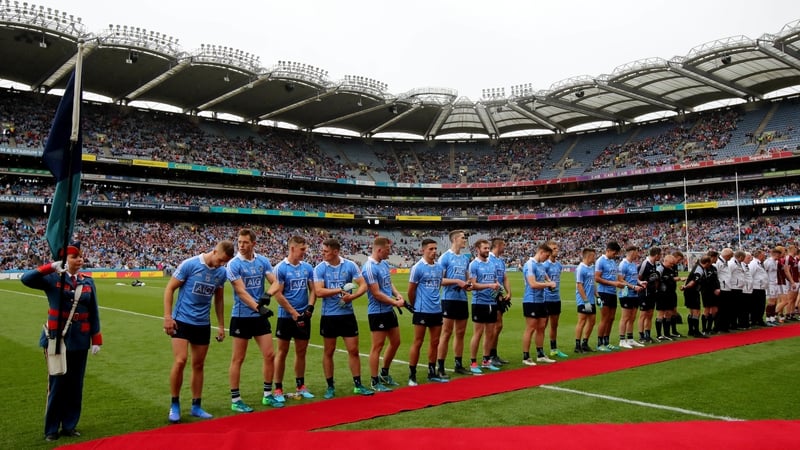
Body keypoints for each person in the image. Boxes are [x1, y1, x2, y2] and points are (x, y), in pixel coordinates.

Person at [21, 242, 103, 442]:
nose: (80, 260)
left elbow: (93, 312)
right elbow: (26, 279)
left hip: (81, 340)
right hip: (57, 339)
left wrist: (96, 339)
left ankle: (69, 425)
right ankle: (51, 428)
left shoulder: (88, 282)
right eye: (75, 257)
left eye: (81, 257)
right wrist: (50, 266)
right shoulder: (52, 279)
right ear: (65, 260)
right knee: (57, 384)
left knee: (75, 386)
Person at [163, 240, 234, 423]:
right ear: (214, 251)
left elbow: (218, 300)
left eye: (224, 262)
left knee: (199, 365)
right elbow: (170, 288)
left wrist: (220, 325)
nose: (221, 265)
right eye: (220, 260)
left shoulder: (221, 273)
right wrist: (168, 317)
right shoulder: (190, 264)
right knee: (180, 361)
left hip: (202, 323)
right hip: (182, 320)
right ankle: (175, 404)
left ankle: (196, 405)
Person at [226, 229, 283, 412]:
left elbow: (275, 282)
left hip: (259, 316)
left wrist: (268, 294)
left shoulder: (263, 261)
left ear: (253, 244)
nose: (241, 246)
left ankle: (267, 395)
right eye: (239, 242)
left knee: (269, 355)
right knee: (238, 358)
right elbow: (241, 292)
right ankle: (236, 399)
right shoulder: (233, 264)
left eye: (245, 242)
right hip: (242, 316)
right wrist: (259, 307)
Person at [313, 238, 374, 398]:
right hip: (329, 316)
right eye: (323, 250)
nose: (323, 253)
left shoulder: (350, 265)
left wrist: (351, 298)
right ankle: (330, 386)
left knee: (353, 350)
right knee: (329, 351)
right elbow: (318, 292)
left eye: (326, 251)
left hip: (347, 315)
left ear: (335, 251)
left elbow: (363, 285)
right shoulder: (319, 268)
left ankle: (358, 385)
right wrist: (339, 290)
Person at [271, 235, 316, 401]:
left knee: (301, 352)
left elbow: (313, 290)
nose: (305, 252)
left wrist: (310, 307)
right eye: (302, 249)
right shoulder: (281, 268)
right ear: (292, 248)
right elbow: (278, 294)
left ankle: (300, 385)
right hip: (286, 317)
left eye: (305, 249)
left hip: (304, 316)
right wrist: (293, 313)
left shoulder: (307, 268)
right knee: (282, 352)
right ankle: (278, 388)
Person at [363, 236, 406, 392]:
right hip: (378, 312)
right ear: (379, 250)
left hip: (388, 310)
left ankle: (384, 373)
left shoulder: (384, 263)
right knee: (377, 346)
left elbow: (389, 283)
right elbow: (376, 293)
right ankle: (374, 381)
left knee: (396, 342)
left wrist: (397, 294)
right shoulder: (369, 267)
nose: (390, 252)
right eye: (388, 250)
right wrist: (395, 302)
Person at [407, 238, 448, 385]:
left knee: (435, 342)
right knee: (418, 342)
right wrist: (415, 306)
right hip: (422, 310)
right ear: (423, 250)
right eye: (430, 249)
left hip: (436, 310)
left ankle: (432, 372)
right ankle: (412, 375)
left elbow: (437, 287)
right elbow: (410, 291)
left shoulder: (439, 268)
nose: (434, 252)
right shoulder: (417, 267)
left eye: (435, 249)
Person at [437, 230, 473, 377]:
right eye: (463, 238)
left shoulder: (465, 258)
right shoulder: (445, 257)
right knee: (446, 333)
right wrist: (457, 282)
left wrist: (468, 284)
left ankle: (458, 364)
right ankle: (440, 366)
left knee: (460, 333)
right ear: (455, 239)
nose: (465, 240)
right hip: (449, 299)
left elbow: (467, 278)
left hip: (462, 299)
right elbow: (439, 280)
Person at [467, 239, 502, 373]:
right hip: (479, 303)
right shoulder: (474, 265)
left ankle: (486, 360)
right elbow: (473, 285)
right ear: (478, 249)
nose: (487, 250)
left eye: (488, 248)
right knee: (478, 333)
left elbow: (495, 281)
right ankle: (473, 362)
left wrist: (498, 289)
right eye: (485, 248)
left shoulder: (492, 264)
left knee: (490, 333)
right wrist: (489, 285)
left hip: (491, 303)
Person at [521, 243, 557, 365]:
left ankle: (540, 353)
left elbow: (546, 279)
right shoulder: (529, 264)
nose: (547, 259)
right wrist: (548, 284)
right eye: (546, 256)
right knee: (531, 328)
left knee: (542, 326)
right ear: (541, 252)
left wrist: (549, 282)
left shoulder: (541, 265)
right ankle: (526, 356)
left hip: (541, 300)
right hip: (531, 300)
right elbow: (533, 284)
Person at [594, 241, 624, 351]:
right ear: (608, 250)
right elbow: (597, 278)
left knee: (611, 318)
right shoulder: (600, 261)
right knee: (605, 318)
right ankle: (599, 342)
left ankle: (607, 341)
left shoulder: (612, 262)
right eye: (614, 253)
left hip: (612, 292)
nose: (615, 255)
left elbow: (612, 277)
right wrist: (614, 283)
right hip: (604, 292)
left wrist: (619, 284)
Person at [488, 237, 512, 366]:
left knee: (498, 325)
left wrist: (509, 292)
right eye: (503, 245)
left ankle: (493, 353)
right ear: (498, 246)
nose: (505, 248)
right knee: (495, 326)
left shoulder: (500, 261)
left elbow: (505, 277)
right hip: (491, 296)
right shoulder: (489, 259)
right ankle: (490, 355)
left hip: (499, 295)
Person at [543, 240, 568, 358]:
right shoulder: (545, 265)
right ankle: (540, 350)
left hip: (556, 298)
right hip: (546, 299)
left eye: (557, 248)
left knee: (554, 325)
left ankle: (554, 349)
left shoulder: (559, 265)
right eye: (554, 249)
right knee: (543, 325)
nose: (556, 250)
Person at [617, 245, 645, 347]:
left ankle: (630, 338)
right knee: (625, 317)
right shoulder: (623, 264)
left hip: (634, 294)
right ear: (632, 252)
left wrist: (640, 282)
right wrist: (633, 287)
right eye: (637, 252)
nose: (638, 254)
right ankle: (622, 340)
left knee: (632, 317)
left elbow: (634, 277)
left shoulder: (633, 264)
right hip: (626, 294)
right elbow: (620, 279)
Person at [681, 255, 711, 338]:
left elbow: (689, 279)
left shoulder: (698, 267)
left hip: (690, 292)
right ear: (707, 263)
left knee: (691, 311)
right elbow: (693, 281)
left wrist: (685, 286)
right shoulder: (699, 270)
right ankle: (696, 331)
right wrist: (686, 287)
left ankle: (691, 330)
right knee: (696, 312)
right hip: (692, 292)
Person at [637, 246, 662, 343]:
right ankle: (641, 335)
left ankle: (648, 334)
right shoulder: (645, 264)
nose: (661, 256)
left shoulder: (654, 264)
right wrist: (642, 284)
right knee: (643, 314)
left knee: (650, 314)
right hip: (644, 292)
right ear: (656, 255)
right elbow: (638, 277)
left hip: (652, 292)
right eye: (660, 255)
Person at [575, 248, 597, 353]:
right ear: (588, 256)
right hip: (583, 300)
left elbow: (592, 283)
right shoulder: (580, 268)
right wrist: (585, 300)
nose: (594, 258)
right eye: (593, 256)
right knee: (582, 321)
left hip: (591, 299)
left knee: (592, 321)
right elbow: (579, 285)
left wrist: (597, 296)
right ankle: (577, 345)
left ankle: (585, 343)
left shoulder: (591, 267)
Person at [764, 247, 783, 326]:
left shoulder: (775, 262)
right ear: (775, 254)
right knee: (771, 302)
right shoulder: (768, 262)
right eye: (778, 255)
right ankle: (768, 319)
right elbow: (764, 272)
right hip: (770, 284)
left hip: (775, 283)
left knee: (774, 301)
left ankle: (772, 318)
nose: (779, 257)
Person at [749, 250, 768, 327]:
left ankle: (758, 319)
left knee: (760, 305)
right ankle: (755, 320)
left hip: (761, 287)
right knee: (756, 305)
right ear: (759, 255)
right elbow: (750, 275)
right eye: (763, 255)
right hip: (756, 287)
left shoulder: (759, 263)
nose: (764, 256)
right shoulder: (754, 263)